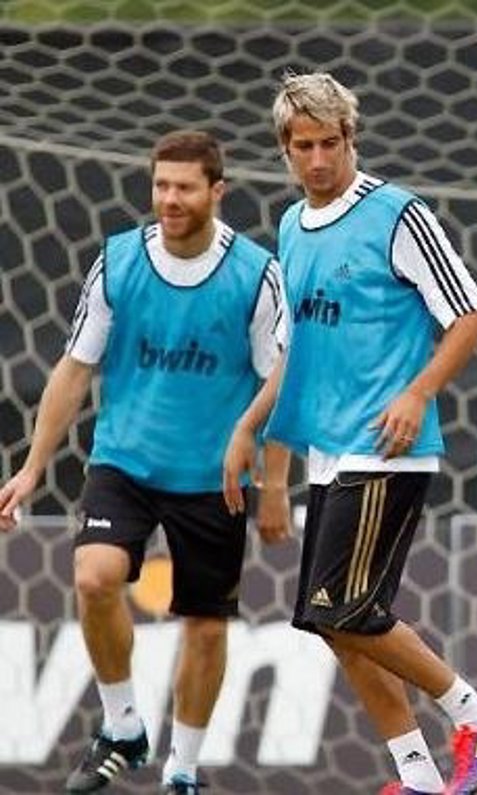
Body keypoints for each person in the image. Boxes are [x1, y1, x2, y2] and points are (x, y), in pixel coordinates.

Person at [232, 72, 477, 795]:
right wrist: (258, 444)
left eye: (330, 143)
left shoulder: (397, 213)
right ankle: (417, 775)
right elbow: (293, 352)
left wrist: (418, 394)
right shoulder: (291, 227)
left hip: (386, 448)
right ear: (284, 150)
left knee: (345, 608)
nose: (318, 159)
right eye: (303, 146)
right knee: (332, 621)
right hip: (328, 453)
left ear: (351, 139)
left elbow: (471, 313)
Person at [0, 130, 290, 794]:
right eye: (161, 185)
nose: (170, 199)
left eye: (185, 187)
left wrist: (274, 483)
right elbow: (74, 370)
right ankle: (123, 723)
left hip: (213, 477)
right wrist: (32, 468)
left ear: (217, 191)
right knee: (94, 577)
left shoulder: (256, 275)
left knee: (206, 627)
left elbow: (280, 387)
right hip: (124, 462)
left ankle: (182, 769)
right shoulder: (119, 261)